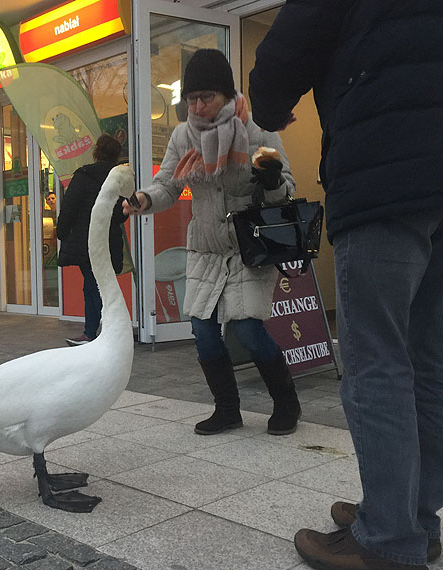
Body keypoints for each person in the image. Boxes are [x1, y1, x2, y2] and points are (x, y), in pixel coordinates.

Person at [249, 2, 443, 569]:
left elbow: (284, 55)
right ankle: (413, 518)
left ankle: (386, 538)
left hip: (388, 169)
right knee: (428, 362)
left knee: (377, 359)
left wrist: (271, 106)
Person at [123, 48, 301, 437]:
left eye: (207, 97)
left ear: (226, 94)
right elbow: (168, 185)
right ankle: (227, 409)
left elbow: (287, 188)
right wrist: (144, 199)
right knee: (203, 331)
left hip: (248, 247)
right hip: (205, 247)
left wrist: (269, 181)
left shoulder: (256, 128)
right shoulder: (182, 135)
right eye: (191, 99)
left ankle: (287, 402)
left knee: (250, 331)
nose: (199, 106)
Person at [57, 134, 128, 346]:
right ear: (116, 155)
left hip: (86, 240)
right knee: (101, 285)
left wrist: (62, 232)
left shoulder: (83, 175)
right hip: (109, 240)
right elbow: (121, 213)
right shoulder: (118, 179)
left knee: (92, 285)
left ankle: (91, 333)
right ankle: (100, 331)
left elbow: (69, 206)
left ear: (97, 152)